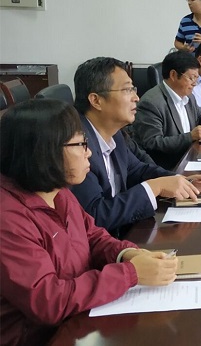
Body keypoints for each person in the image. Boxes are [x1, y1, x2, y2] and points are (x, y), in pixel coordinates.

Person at [0, 99, 178, 345]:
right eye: (81, 144)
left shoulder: (58, 192)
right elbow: (48, 301)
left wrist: (127, 254)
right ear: (44, 151)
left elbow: (92, 235)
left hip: (77, 323)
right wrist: (130, 274)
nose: (89, 152)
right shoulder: (8, 218)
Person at [72, 57, 201, 235]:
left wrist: (181, 181)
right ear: (96, 100)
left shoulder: (114, 133)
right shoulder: (75, 146)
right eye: (127, 90)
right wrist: (155, 187)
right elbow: (94, 215)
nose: (136, 98)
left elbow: (137, 170)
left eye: (133, 89)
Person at [133, 51, 201, 170]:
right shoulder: (152, 103)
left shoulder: (188, 96)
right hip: (169, 168)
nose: (195, 84)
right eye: (191, 78)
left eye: (196, 78)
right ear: (173, 75)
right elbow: (153, 143)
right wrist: (190, 137)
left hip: (191, 158)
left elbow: (200, 115)